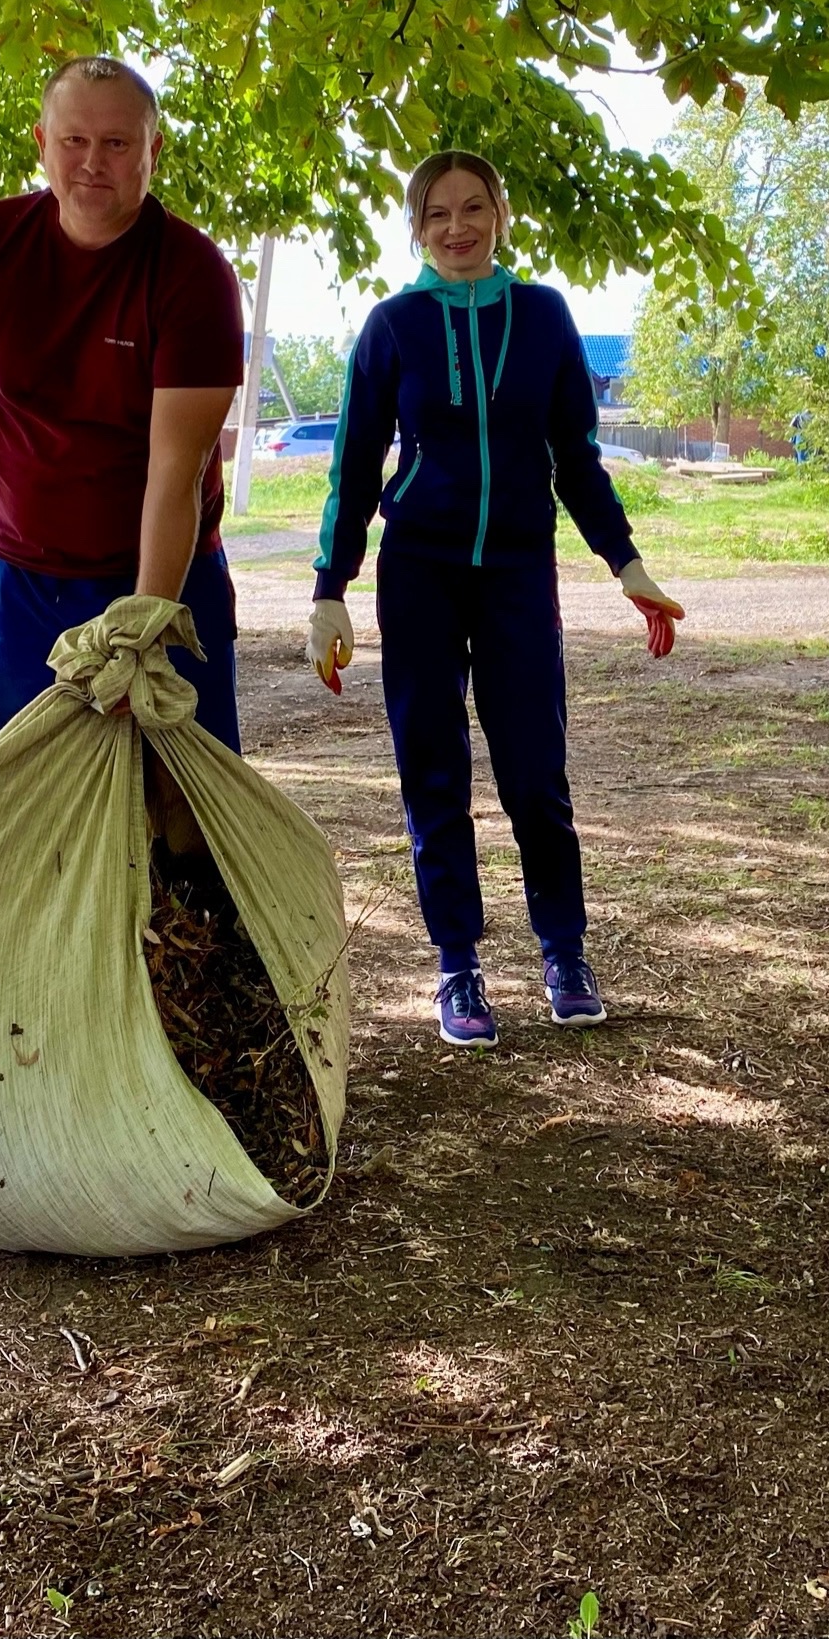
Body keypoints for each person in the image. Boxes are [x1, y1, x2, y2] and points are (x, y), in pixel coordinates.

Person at [305, 151, 684, 1049]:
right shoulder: (393, 327)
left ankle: (565, 952)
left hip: (517, 570)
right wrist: (330, 589)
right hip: (419, 572)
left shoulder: (544, 316)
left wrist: (626, 562)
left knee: (534, 771)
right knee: (433, 770)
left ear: (500, 214)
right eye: (437, 214)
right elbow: (354, 466)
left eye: (473, 207)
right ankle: (458, 964)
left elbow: (576, 459)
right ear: (417, 228)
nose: (457, 227)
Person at [0, 57, 247, 749]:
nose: (92, 162)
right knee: (33, 796)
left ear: (152, 150)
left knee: (177, 801)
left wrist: (143, 627)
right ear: (42, 143)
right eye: (74, 140)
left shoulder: (194, 273)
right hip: (18, 586)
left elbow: (175, 472)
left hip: (161, 576)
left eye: (116, 143)